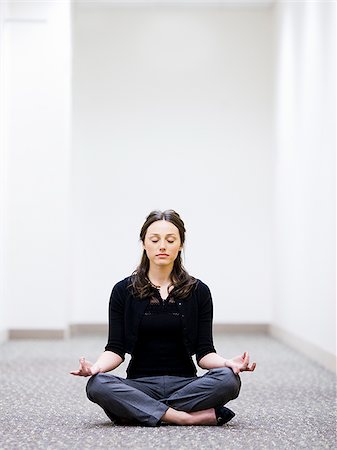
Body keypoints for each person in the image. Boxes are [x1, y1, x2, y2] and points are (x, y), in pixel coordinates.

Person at [70, 210, 256, 426]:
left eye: (170, 240)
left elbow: (205, 353)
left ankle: (137, 410)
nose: (162, 246)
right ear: (143, 243)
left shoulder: (199, 291)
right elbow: (115, 348)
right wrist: (95, 369)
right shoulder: (123, 290)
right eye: (155, 239)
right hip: (140, 383)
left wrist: (226, 363)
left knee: (229, 380)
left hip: (185, 384)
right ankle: (182, 417)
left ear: (181, 245)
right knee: (97, 385)